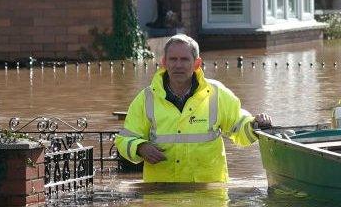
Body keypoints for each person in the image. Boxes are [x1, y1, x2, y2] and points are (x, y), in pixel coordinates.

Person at [115, 34, 272, 183]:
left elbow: (239, 127)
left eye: (184, 59)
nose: (178, 65)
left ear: (197, 63)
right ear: (164, 62)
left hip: (209, 193)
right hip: (161, 191)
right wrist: (140, 147)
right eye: (173, 59)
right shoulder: (146, 97)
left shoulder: (216, 93)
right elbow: (124, 140)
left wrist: (254, 125)